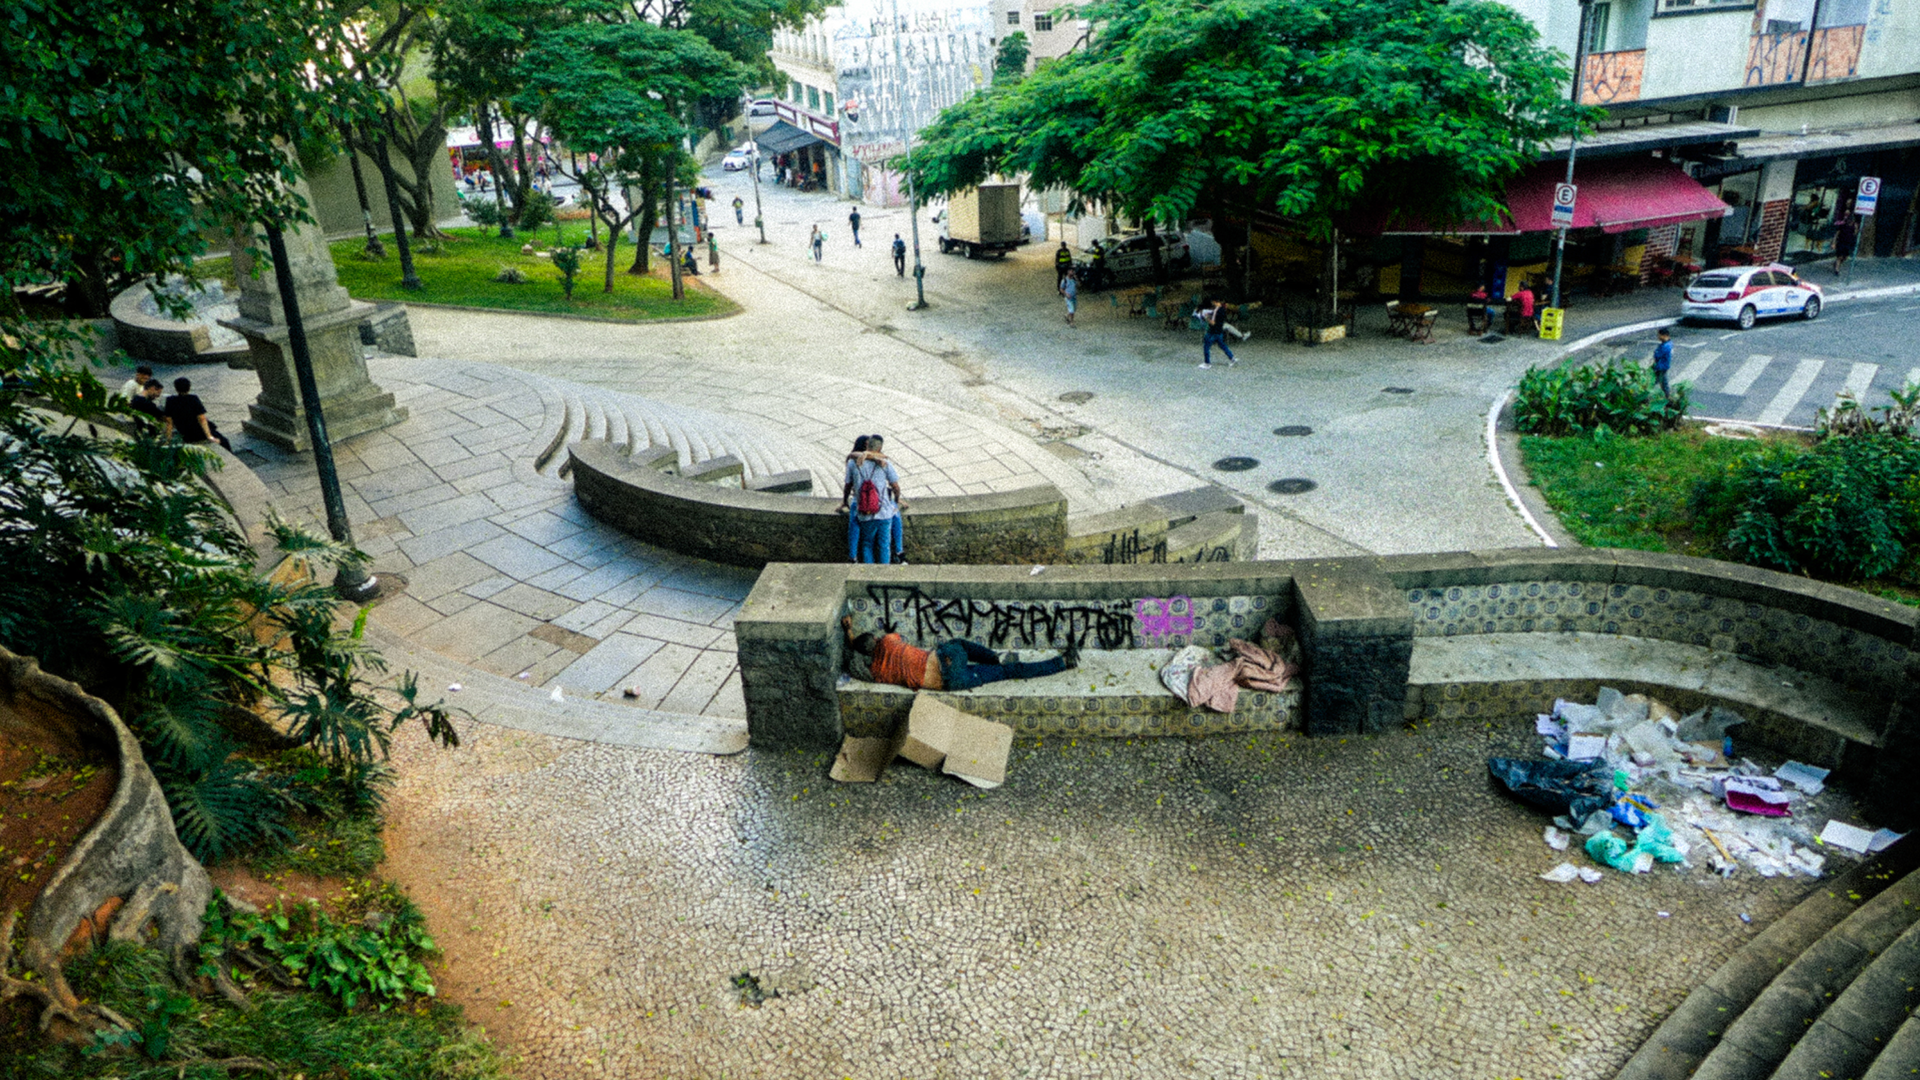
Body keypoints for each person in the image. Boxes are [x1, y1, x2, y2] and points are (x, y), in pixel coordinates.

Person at [842, 615, 1078, 692]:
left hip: (949, 682)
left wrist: (851, 639)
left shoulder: (875, 672)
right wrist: (851, 630)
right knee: (959, 645)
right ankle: (994, 656)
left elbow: (855, 657)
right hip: (945, 659)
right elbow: (889, 638)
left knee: (1008, 672)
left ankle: (1063, 662)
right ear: (874, 640)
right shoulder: (887, 642)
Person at [841, 437, 901, 563]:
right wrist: (896, 499)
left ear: (867, 445)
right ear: (879, 448)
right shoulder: (884, 463)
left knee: (867, 544)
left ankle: (868, 572)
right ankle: (884, 574)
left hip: (864, 513)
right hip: (884, 511)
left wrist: (845, 501)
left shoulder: (853, 463)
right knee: (884, 545)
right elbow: (895, 486)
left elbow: (848, 485)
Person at [163, 376, 231, 450]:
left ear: (176, 388)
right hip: (198, 432)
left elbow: (169, 422)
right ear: (189, 387)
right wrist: (209, 436)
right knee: (224, 441)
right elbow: (202, 418)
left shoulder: (170, 401)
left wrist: (168, 439)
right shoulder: (193, 399)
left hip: (185, 432)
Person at [1196, 298, 1236, 369]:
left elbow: (1213, 322)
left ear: (1214, 302)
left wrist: (1207, 318)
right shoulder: (1222, 309)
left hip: (1213, 331)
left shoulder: (1216, 310)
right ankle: (1232, 357)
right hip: (1219, 330)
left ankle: (1207, 363)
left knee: (1206, 346)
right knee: (1222, 345)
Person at [1651, 327, 1673, 398]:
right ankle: (1668, 396)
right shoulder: (1667, 344)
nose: (1658, 337)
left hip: (1661, 367)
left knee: (1656, 381)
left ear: (1664, 335)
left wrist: (1655, 354)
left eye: (1659, 335)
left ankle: (1668, 397)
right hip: (1661, 366)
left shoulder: (1666, 346)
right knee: (1662, 382)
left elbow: (1657, 355)